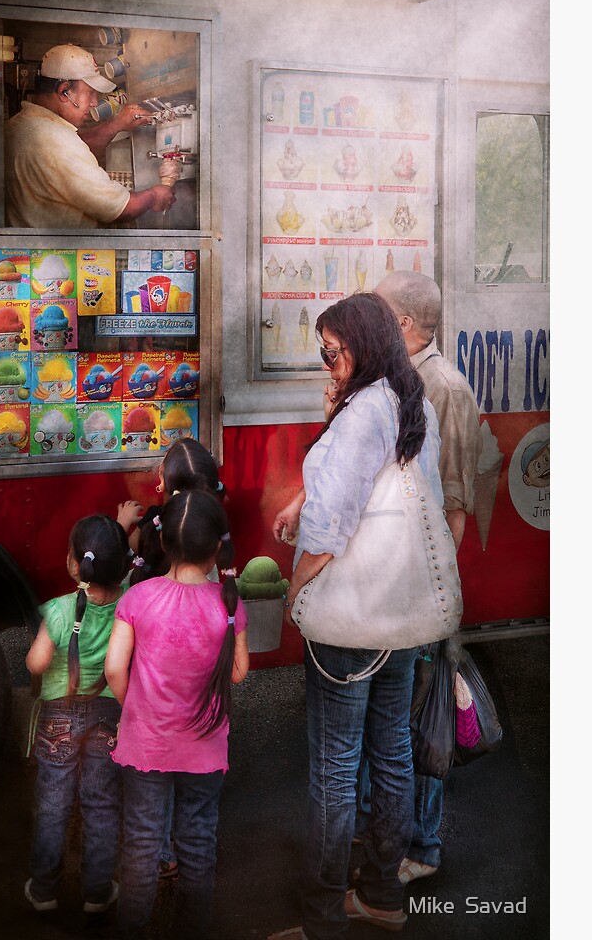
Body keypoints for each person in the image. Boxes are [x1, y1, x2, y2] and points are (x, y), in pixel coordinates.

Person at [269, 293, 443, 938]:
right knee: (391, 753)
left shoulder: (363, 412)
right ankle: (381, 897)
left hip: (350, 617)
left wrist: (295, 594)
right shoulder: (409, 401)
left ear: (363, 347)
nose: (326, 364)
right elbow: (382, 491)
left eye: (332, 352)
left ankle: (318, 915)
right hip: (398, 611)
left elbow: (327, 532)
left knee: (335, 768)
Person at [369, 270, 482, 884]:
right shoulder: (397, 378)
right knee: (391, 720)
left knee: (424, 718)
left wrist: (434, 594)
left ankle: (424, 847)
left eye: (382, 311)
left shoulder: (447, 387)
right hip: (389, 583)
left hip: (422, 588)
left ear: (405, 324)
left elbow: (456, 507)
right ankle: (384, 831)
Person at [105, 490, 250, 940]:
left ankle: (130, 927)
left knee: (144, 841)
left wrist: (136, 709)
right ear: (215, 550)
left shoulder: (138, 597)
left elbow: (113, 668)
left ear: (163, 543)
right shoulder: (229, 604)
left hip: (146, 743)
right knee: (198, 839)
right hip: (205, 749)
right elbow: (240, 672)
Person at [23, 514, 131, 915]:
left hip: (58, 718)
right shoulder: (130, 603)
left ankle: (45, 890)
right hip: (108, 713)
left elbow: (35, 665)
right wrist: (126, 529)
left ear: (73, 563)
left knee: (53, 803)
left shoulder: (58, 610)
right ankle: (97, 893)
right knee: (101, 803)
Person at [5, 44, 176, 227]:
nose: (95, 103)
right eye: (90, 93)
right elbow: (121, 209)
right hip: (64, 252)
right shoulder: (56, 141)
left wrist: (116, 124)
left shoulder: (21, 125)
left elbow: (74, 154)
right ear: (64, 91)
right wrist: (155, 195)